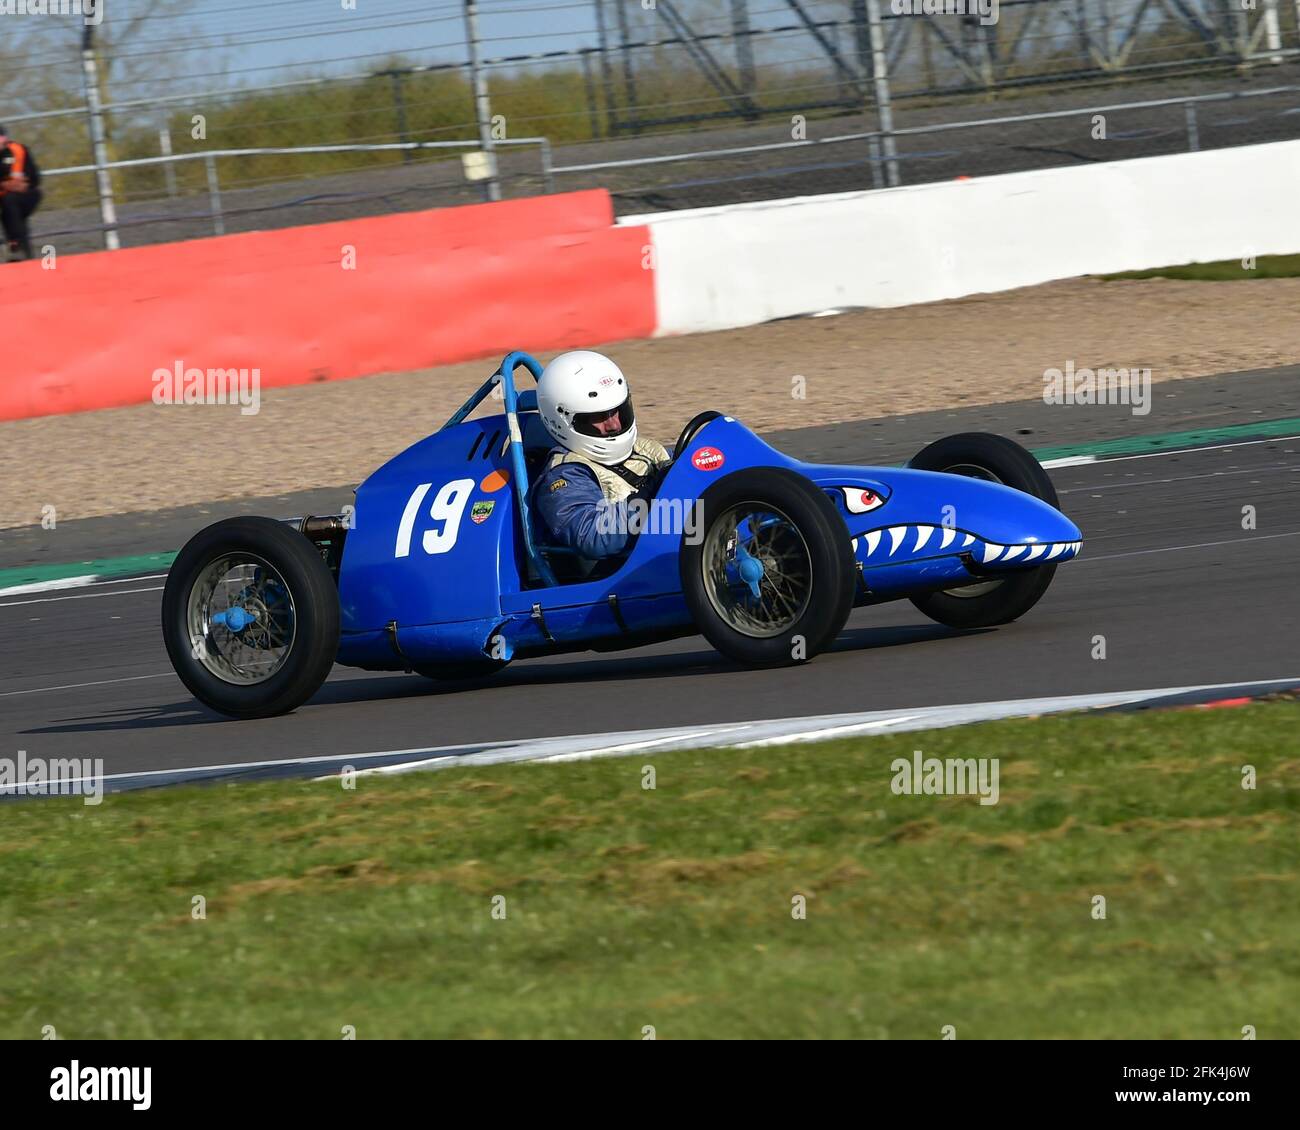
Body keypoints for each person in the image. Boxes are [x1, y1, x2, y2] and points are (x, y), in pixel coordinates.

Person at [531, 350, 671, 560]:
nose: (614, 424)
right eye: (599, 417)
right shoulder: (564, 475)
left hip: (680, 544)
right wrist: (655, 494)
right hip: (625, 577)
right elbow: (592, 535)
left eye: (616, 411)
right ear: (562, 421)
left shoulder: (647, 450)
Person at [0, 125, 42, 262]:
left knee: (10, 203)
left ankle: (17, 247)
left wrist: (24, 184)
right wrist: (4, 184)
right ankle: (22, 252)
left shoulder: (19, 150)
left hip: (25, 195)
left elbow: (35, 179)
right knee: (9, 206)